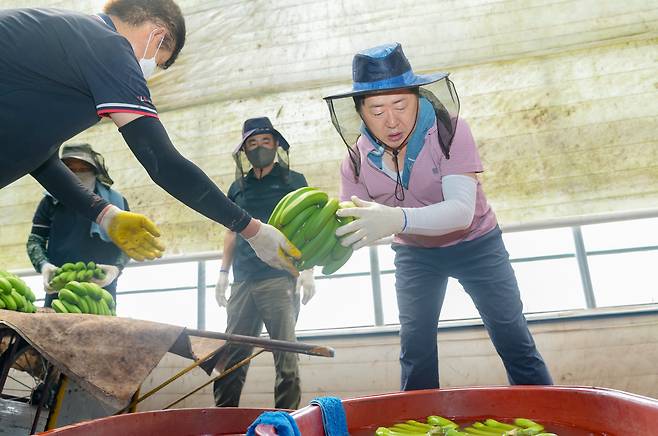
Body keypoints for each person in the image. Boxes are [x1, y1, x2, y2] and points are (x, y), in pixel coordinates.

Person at [0, 0, 298, 272]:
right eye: (157, 63)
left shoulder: (67, 42)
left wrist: (104, 213)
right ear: (157, 36)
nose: (147, 73)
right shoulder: (110, 47)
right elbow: (162, 162)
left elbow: (37, 155)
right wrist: (252, 231)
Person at [326, 43, 553, 390]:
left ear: (418, 97)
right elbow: (350, 226)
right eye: (376, 110)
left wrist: (396, 219)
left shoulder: (451, 132)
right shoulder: (355, 162)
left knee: (513, 339)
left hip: (477, 245)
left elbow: (461, 212)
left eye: (400, 105)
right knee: (415, 350)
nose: (391, 120)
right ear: (359, 112)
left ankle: (545, 415)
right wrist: (306, 250)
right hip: (416, 255)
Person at [213, 117, 315, 409]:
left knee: (286, 357)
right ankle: (223, 420)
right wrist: (222, 273)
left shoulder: (294, 181)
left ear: (276, 145)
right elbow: (231, 230)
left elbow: (307, 226)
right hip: (243, 279)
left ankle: (287, 419)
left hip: (279, 278)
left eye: (265, 141)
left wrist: (308, 270)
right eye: (252, 143)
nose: (259, 148)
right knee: (232, 357)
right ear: (244, 150)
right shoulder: (237, 187)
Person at [27, 144, 130, 308]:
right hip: (60, 287)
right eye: (70, 169)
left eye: (84, 168)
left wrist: (116, 269)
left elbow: (130, 243)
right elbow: (35, 240)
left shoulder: (115, 203)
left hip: (101, 290)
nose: (77, 174)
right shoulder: (50, 202)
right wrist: (44, 265)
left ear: (95, 171)